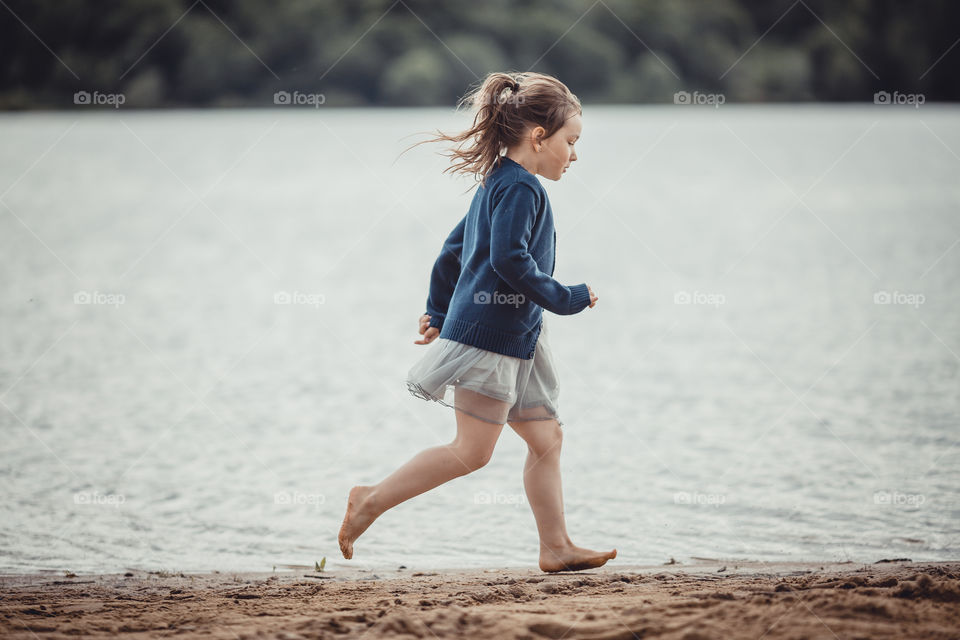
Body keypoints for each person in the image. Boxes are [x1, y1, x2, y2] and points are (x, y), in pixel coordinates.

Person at [338, 71, 616, 573]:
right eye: (570, 142)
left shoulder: (499, 184)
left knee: (547, 439)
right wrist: (567, 297)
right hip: (493, 339)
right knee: (472, 451)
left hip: (519, 337)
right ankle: (369, 500)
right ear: (538, 137)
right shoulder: (523, 189)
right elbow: (511, 261)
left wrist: (437, 310)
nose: (574, 155)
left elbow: (451, 252)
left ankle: (555, 547)